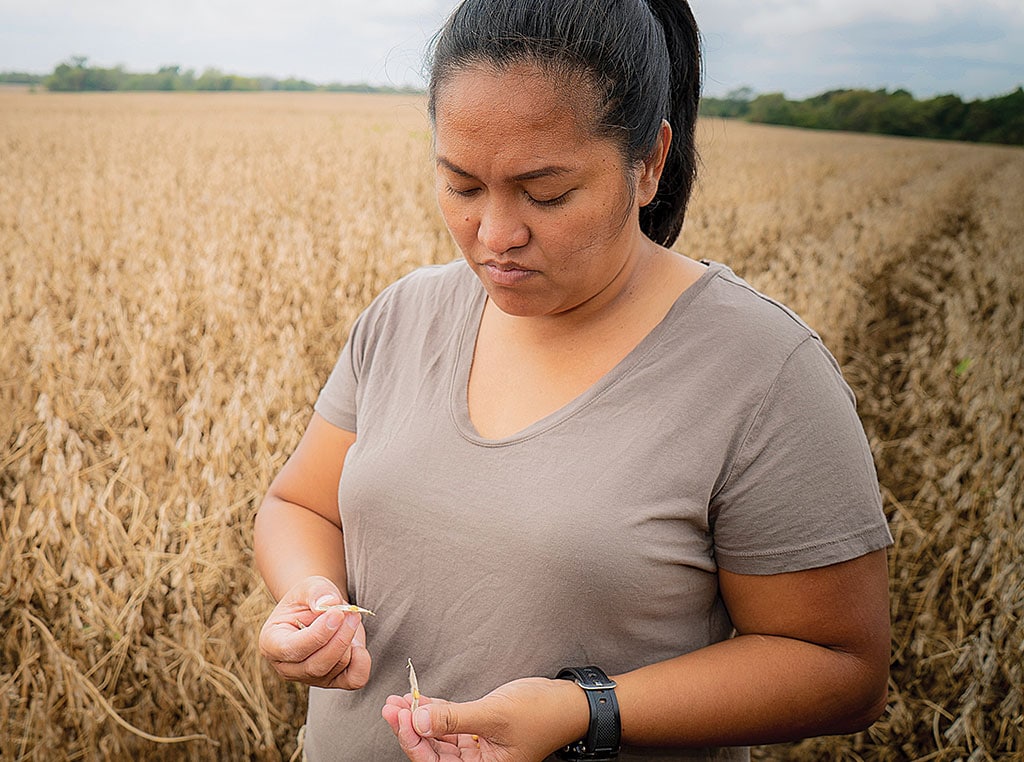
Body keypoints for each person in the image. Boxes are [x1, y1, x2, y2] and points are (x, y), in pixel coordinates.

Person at [254, 0, 894, 760]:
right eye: (461, 187)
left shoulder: (763, 372)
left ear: (650, 161)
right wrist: (310, 595)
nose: (495, 236)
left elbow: (841, 668)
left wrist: (586, 710)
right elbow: (299, 503)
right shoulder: (404, 315)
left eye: (547, 194)